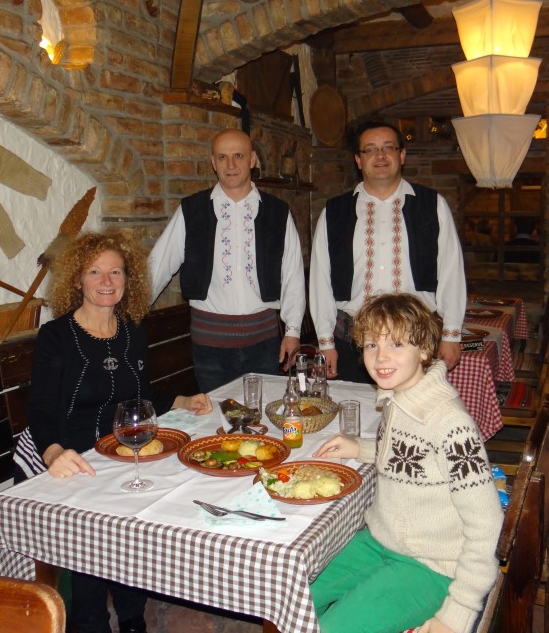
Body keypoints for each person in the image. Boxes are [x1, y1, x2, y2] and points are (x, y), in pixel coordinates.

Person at [13, 230, 213, 633]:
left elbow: (139, 395)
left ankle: (132, 617)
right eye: (95, 272)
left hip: (119, 450)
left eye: (116, 272)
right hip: (68, 453)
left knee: (151, 505)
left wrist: (181, 400)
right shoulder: (57, 336)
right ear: (77, 280)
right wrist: (53, 452)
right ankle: (89, 622)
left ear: (127, 279)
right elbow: (41, 409)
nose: (106, 281)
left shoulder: (131, 331)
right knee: (95, 528)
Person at [311, 293, 503, 633]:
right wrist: (360, 448)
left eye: (397, 344)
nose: (381, 357)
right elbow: (408, 457)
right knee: (293, 597)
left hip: (431, 566)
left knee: (330, 629)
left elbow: (487, 524)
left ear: (424, 350)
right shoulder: (398, 398)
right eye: (372, 345)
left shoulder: (451, 425)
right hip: (379, 542)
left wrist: (458, 613)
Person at [148, 129, 306, 392]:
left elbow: (293, 275)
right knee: (218, 416)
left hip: (264, 345)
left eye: (238, 156)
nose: (230, 164)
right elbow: (158, 266)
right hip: (210, 348)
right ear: (213, 162)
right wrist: (124, 314)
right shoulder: (192, 210)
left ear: (252, 159)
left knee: (263, 413)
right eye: (222, 157)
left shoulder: (277, 212)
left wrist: (292, 332)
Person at [308, 120, 466, 383]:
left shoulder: (432, 206)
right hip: (352, 341)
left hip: (416, 340)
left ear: (401, 155)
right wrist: (325, 342)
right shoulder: (335, 212)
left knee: (415, 409)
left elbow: (452, 271)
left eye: (388, 148)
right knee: (353, 409)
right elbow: (320, 279)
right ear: (359, 160)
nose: (380, 156)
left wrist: (451, 334)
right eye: (370, 149)